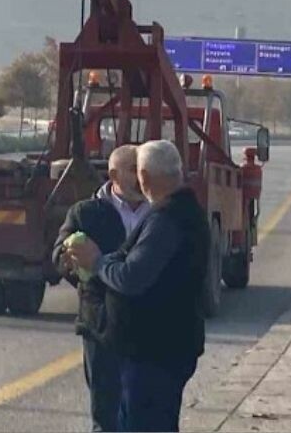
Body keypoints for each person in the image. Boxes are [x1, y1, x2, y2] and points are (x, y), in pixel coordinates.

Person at [68, 140, 209, 432]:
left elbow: (131, 277)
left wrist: (97, 262)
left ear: (144, 176)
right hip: (154, 347)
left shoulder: (167, 218)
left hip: (156, 353)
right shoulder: (180, 211)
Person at [53, 145, 150, 432]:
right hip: (102, 327)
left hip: (148, 327)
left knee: (146, 413)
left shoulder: (158, 212)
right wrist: (76, 264)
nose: (140, 178)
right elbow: (60, 255)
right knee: (107, 416)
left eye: (143, 170)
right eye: (133, 170)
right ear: (113, 174)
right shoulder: (86, 212)